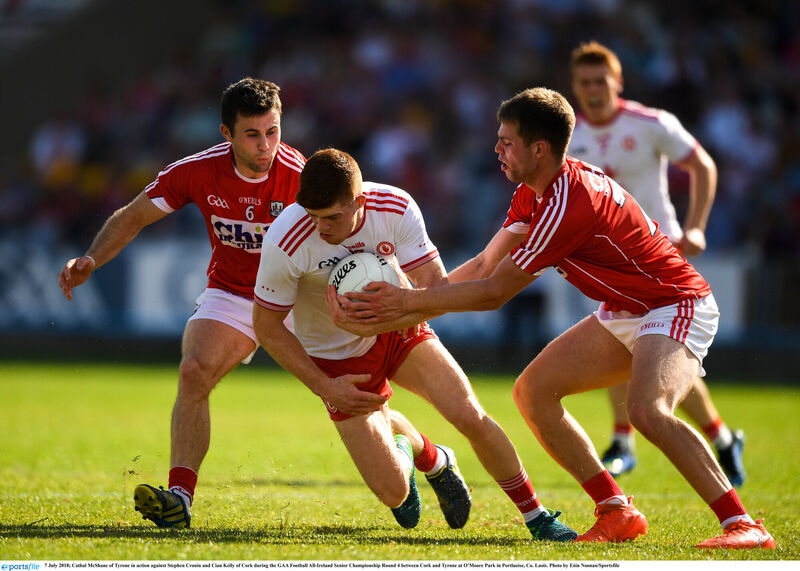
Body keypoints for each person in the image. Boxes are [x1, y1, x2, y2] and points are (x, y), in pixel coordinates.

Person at [336, 88, 775, 549]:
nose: (497, 150)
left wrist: (405, 306)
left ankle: (743, 524)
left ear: (538, 148)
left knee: (647, 410)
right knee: (534, 393)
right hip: (627, 310)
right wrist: (410, 302)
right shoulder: (535, 192)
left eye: (507, 142)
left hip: (675, 303)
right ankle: (616, 510)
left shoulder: (568, 203)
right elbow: (486, 265)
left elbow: (493, 293)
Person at [252, 147, 576, 540]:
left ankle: (538, 517)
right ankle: (428, 453)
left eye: (333, 217)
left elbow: (435, 290)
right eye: (314, 216)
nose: (322, 228)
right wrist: (325, 387)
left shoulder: (394, 206)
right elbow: (267, 327)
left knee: (468, 413)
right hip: (336, 359)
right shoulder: (286, 238)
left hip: (400, 329)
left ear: (360, 202)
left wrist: (392, 316)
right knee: (394, 492)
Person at [58, 77, 307, 529]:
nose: (266, 145)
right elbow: (133, 215)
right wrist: (92, 258)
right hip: (235, 293)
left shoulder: (302, 178)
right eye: (252, 134)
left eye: (272, 131)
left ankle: (427, 456)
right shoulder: (195, 171)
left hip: (299, 298)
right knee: (194, 372)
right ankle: (179, 499)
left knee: (357, 399)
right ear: (225, 134)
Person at [567, 41, 745, 485]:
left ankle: (630, 441)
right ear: (575, 86)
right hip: (611, 263)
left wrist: (697, 226)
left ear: (618, 83)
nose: (592, 90)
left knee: (651, 356)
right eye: (584, 82)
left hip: (660, 258)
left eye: (600, 81)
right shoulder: (569, 137)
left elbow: (703, 165)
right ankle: (718, 438)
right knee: (635, 349)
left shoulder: (650, 124)